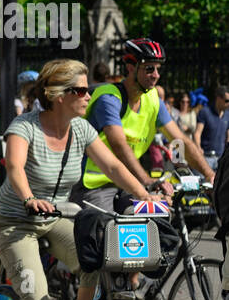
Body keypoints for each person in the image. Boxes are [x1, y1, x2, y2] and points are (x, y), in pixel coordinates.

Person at [0, 60, 159, 300]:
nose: (88, 96)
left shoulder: (81, 128)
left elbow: (112, 165)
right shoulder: (24, 127)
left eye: (87, 90)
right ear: (57, 95)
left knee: (99, 261)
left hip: (55, 217)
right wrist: (29, 199)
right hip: (16, 222)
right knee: (36, 296)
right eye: (81, 91)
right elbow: (15, 167)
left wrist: (146, 195)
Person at [72, 39, 215, 214]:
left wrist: (209, 174)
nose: (156, 75)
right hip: (95, 184)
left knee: (158, 217)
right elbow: (119, 144)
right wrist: (146, 180)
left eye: (158, 69)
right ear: (131, 68)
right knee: (104, 226)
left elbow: (180, 141)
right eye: (149, 69)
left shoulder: (153, 100)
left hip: (128, 182)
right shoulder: (109, 98)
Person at [194, 86, 229, 174]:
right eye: (227, 101)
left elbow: (228, 136)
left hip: (220, 158)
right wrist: (198, 148)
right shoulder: (205, 112)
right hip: (205, 158)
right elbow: (197, 133)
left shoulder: (228, 115)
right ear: (218, 98)